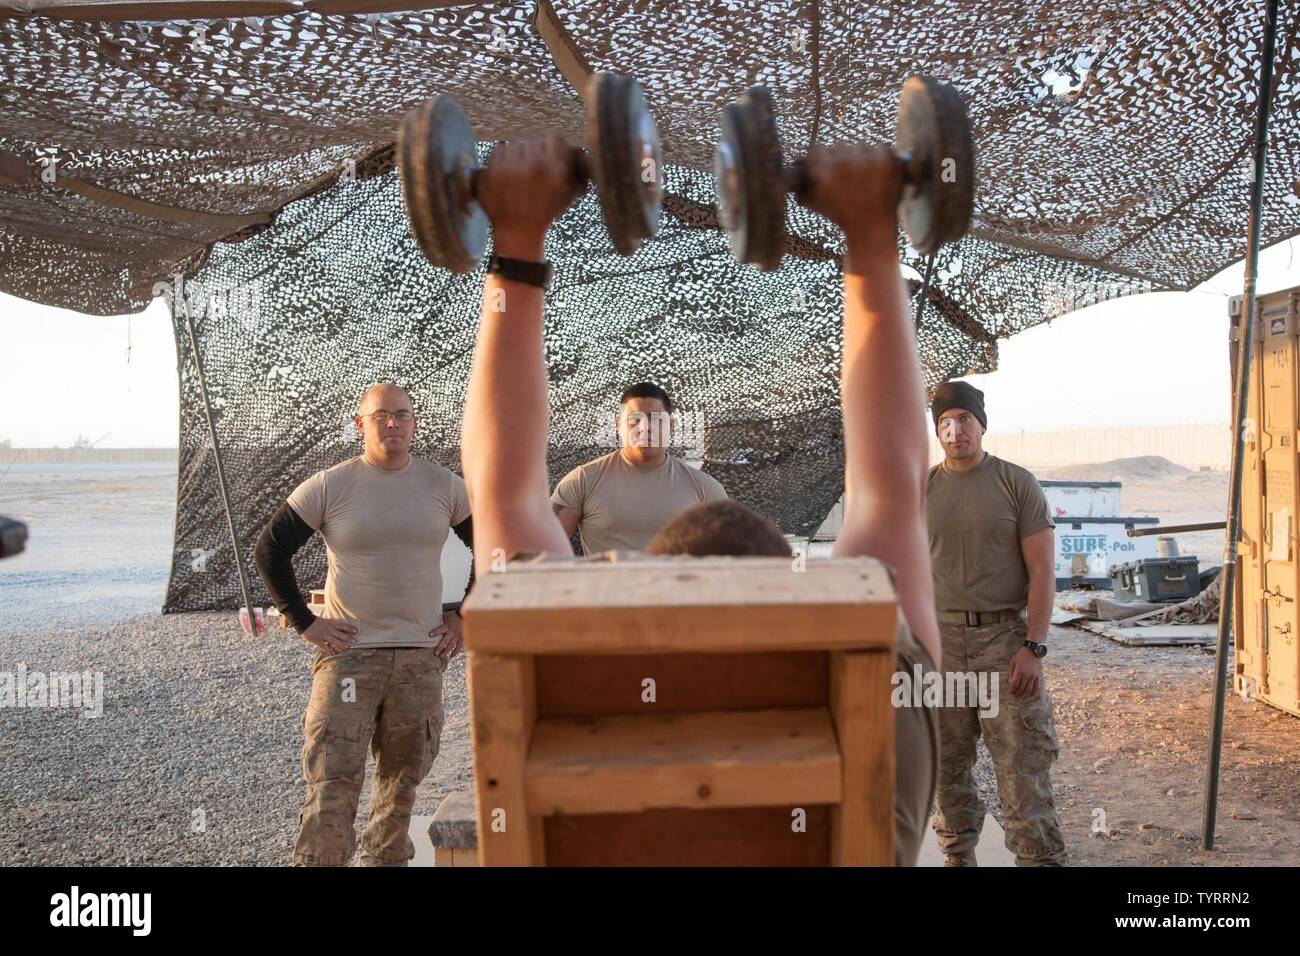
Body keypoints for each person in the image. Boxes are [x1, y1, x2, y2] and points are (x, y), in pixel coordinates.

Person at [457, 134, 940, 865]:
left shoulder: (561, 685)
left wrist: (517, 233)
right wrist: (873, 233)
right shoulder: (882, 690)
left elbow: (497, 486)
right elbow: (892, 492)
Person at [254, 382, 473, 866]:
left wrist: (462, 615)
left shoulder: (445, 486)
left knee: (401, 785)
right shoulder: (331, 485)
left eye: (402, 415)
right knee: (333, 781)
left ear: (413, 422)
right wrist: (304, 621)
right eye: (381, 416)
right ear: (361, 424)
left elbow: (491, 548)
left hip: (421, 657)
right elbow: (270, 550)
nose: (392, 423)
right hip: (348, 655)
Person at [926, 379, 1065, 866]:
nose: (954, 430)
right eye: (944, 422)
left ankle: (1037, 860)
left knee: (1021, 763)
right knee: (944, 764)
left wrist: (1035, 645)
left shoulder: (1016, 483)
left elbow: (1043, 570)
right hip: (940, 645)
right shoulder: (921, 489)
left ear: (980, 424)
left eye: (963, 419)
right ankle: (958, 856)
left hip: (1005, 641)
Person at [552, 381, 727, 554]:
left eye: (655, 419)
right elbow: (543, 548)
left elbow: (734, 555)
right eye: (634, 420)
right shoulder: (582, 481)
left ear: (671, 426)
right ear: (618, 424)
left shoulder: (705, 488)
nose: (644, 428)